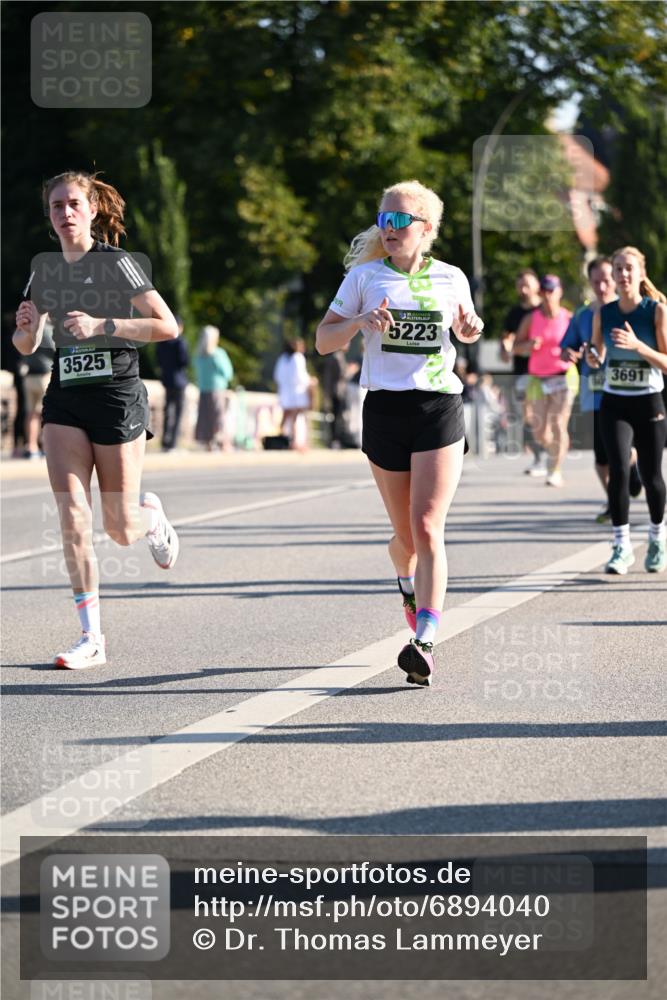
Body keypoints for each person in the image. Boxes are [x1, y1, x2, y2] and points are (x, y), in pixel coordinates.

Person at [316, 179, 483, 687]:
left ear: (425, 228)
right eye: (383, 220)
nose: (387, 229)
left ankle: (426, 640)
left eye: (399, 221)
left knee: (429, 525)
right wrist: (360, 322)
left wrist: (471, 328)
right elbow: (324, 341)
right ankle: (407, 586)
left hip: (438, 407)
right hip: (385, 410)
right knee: (406, 538)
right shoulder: (365, 278)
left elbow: (465, 328)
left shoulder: (452, 277)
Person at [13, 170, 180, 670]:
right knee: (72, 516)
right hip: (65, 398)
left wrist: (102, 325)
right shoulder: (44, 271)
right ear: (49, 215)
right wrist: (24, 332)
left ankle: (150, 518)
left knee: (120, 527)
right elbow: (25, 344)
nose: (64, 213)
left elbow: (167, 326)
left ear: (91, 210)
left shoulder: (118, 264)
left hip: (116, 396)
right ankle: (92, 637)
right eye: (56, 206)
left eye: (72, 204)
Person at [587, 246, 667, 574]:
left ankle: (657, 539)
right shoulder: (603, 313)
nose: (623, 274)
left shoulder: (656, 311)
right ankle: (621, 546)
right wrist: (593, 358)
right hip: (614, 401)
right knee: (619, 470)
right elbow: (597, 353)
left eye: (629, 268)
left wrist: (638, 347)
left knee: (651, 476)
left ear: (641, 273)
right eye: (618, 268)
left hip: (648, 401)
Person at [560, 256, 641, 522]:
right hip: (594, 392)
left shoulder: (626, 310)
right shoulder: (583, 315)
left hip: (627, 388)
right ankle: (613, 500)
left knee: (624, 446)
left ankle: (632, 466)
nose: (602, 286)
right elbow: (566, 348)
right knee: (601, 457)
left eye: (606, 280)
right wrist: (570, 354)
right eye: (596, 281)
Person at [512, 274, 577, 487]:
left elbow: (579, 347)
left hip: (563, 376)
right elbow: (516, 347)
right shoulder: (531, 319)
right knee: (540, 431)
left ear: (560, 292)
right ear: (540, 294)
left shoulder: (568, 318)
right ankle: (553, 450)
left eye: (552, 291)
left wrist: (575, 353)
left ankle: (555, 470)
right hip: (538, 379)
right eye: (544, 292)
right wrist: (528, 345)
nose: (548, 296)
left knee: (559, 423)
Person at [499, 269, 544, 474]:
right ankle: (538, 457)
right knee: (527, 415)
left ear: (537, 285)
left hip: (547, 372)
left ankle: (548, 454)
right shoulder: (513, 314)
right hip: (522, 372)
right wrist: (508, 350)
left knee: (544, 415)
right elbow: (505, 345)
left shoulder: (545, 310)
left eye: (527, 284)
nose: (524, 289)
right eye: (520, 285)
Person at [194, 325, 234, 450]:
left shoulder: (198, 355)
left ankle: (208, 443)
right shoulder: (218, 354)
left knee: (205, 418)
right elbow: (228, 372)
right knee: (218, 416)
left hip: (203, 389)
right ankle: (223, 443)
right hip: (217, 389)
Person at [21, 318, 55, 457]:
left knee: (31, 414)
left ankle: (31, 445)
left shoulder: (25, 328)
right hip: (43, 376)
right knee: (46, 413)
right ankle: (46, 446)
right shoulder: (45, 328)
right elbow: (54, 350)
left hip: (29, 376)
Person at [273, 337, 313, 450]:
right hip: (297, 393)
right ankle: (296, 442)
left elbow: (277, 376)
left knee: (285, 417)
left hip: (285, 392)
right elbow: (301, 377)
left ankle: (282, 438)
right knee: (296, 417)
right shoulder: (298, 358)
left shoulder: (282, 358)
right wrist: (310, 381)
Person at [156, 315, 190, 451]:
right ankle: (173, 443)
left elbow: (158, 361)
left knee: (167, 412)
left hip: (166, 379)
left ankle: (165, 442)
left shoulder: (161, 342)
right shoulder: (180, 342)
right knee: (177, 413)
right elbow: (184, 361)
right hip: (179, 381)